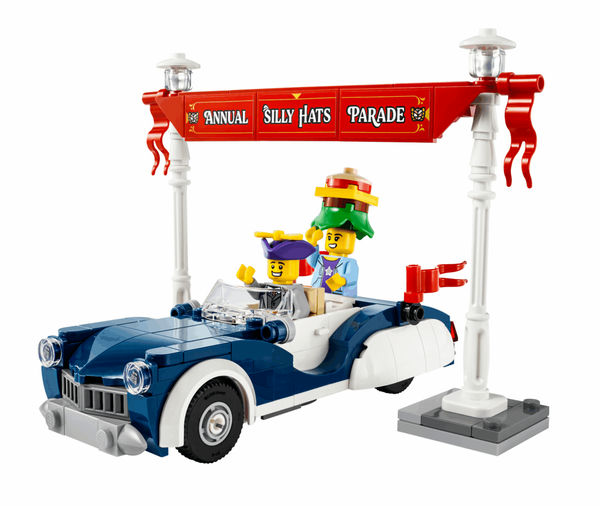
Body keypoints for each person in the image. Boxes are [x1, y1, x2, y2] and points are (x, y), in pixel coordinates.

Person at [306, 167, 378, 297]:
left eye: (337, 238)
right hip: (316, 295)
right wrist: (313, 243)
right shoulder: (322, 258)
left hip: (339, 299)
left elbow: (350, 278)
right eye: (329, 237)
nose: (332, 240)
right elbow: (311, 262)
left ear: (351, 240)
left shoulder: (350, 263)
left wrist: (340, 280)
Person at [236, 231, 314, 319]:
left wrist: (291, 321)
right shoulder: (267, 287)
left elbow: (303, 311)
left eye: (280, 266)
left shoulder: (294, 290)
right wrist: (249, 282)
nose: (276, 270)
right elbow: (257, 294)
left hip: (282, 324)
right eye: (272, 266)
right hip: (265, 321)